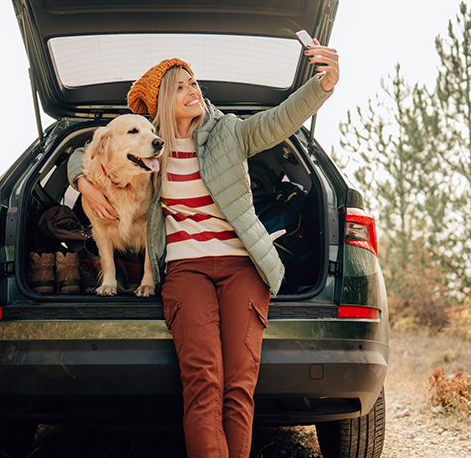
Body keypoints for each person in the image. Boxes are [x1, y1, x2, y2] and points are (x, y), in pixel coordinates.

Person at [67, 40, 339, 458]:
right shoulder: (148, 153)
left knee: (239, 383)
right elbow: (89, 153)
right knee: (203, 381)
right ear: (162, 100)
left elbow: (280, 120)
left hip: (242, 267)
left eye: (193, 82)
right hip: (185, 270)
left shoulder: (230, 132)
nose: (193, 89)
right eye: (179, 86)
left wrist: (323, 85)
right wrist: (81, 181)